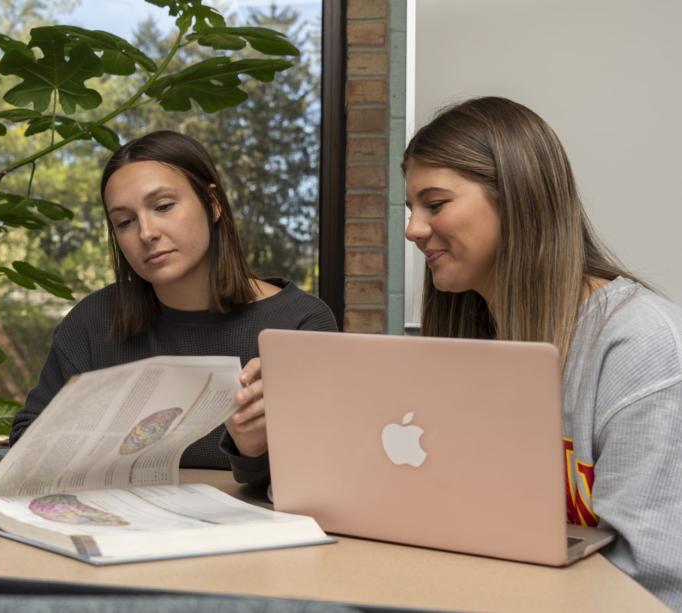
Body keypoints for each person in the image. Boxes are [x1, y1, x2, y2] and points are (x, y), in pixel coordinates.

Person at [230, 96, 682, 606]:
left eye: (435, 204)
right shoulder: (477, 334)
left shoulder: (641, 345)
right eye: (410, 209)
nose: (413, 229)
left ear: (518, 198)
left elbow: (650, 580)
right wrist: (291, 439)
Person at [9, 130, 337, 481]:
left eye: (163, 207)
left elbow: (329, 471)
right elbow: (24, 446)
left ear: (213, 204)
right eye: (124, 222)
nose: (146, 232)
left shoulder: (300, 324)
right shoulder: (94, 321)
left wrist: (253, 451)